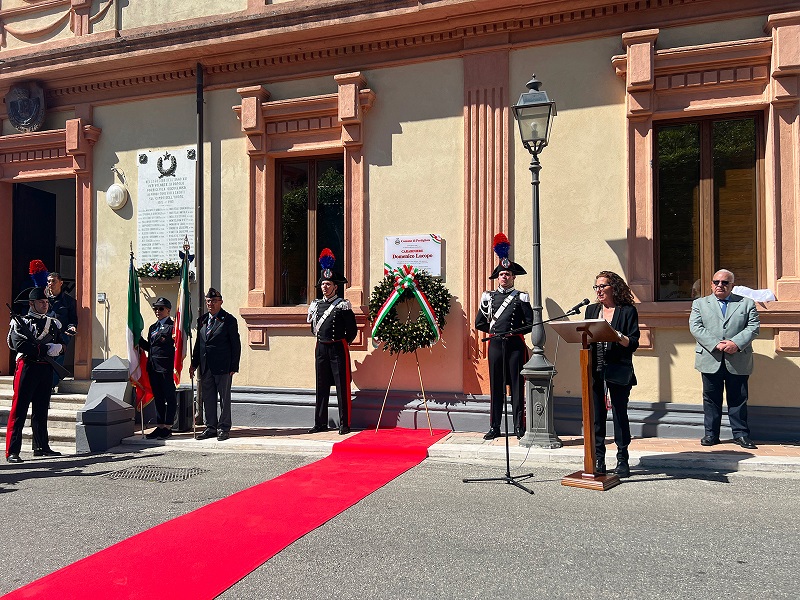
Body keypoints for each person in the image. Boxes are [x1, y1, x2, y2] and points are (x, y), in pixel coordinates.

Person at [689, 269, 760, 449]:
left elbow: (753, 327)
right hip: (710, 357)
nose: (720, 285)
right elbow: (696, 327)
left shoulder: (746, 303)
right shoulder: (700, 304)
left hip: (737, 358)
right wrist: (717, 344)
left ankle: (741, 434)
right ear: (711, 284)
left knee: (738, 398)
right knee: (711, 398)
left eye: (725, 283)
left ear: (732, 286)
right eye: (716, 282)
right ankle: (711, 435)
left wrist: (735, 343)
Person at [474, 233, 533, 440]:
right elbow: (479, 323)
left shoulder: (521, 297)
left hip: (515, 345)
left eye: (507, 274)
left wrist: (515, 332)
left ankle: (519, 426)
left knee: (517, 386)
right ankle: (495, 426)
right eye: (501, 274)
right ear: (497, 277)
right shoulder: (488, 297)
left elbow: (529, 324)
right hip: (496, 345)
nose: (504, 277)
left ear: (513, 277)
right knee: (496, 386)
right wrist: (495, 331)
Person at [6, 263, 65, 463]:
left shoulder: (53, 323)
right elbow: (18, 344)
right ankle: (13, 451)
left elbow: (61, 344)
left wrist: (58, 349)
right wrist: (42, 349)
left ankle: (41, 446)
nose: (45, 305)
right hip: (28, 366)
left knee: (41, 409)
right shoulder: (19, 322)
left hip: (46, 368)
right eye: (40, 302)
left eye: (46, 302)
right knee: (19, 409)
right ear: (31, 304)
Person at [585, 270, 640, 478]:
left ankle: (622, 457)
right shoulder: (591, 310)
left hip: (618, 368)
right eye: (596, 287)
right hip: (595, 368)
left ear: (613, 288)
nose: (599, 290)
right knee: (598, 416)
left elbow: (633, 342)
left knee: (619, 413)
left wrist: (617, 335)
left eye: (603, 286)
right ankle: (599, 458)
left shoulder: (627, 311)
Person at [306, 249, 357, 435]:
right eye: (323, 284)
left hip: (337, 347)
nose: (325, 287)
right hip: (321, 347)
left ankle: (344, 424)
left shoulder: (343, 305)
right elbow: (313, 328)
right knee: (321, 385)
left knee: (342, 387)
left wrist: (342, 343)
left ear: (336, 286)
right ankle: (320, 423)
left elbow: (352, 330)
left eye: (328, 284)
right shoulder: (316, 305)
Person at [189, 288, 241, 441]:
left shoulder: (229, 320)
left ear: (221, 302)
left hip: (223, 366)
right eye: (208, 301)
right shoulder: (202, 320)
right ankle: (210, 427)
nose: (210, 304)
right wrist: (194, 363)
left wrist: (234, 366)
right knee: (208, 398)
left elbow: (235, 345)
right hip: (206, 367)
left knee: (224, 398)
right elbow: (199, 344)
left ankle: (223, 428)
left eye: (213, 301)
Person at [139, 297, 176, 440]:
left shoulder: (172, 328)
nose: (158, 311)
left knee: (170, 397)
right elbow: (151, 348)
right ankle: (160, 426)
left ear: (168, 310)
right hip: (153, 367)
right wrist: (138, 339)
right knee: (158, 398)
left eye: (161, 308)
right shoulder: (153, 328)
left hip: (165, 368)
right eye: (156, 308)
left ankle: (168, 426)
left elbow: (174, 349)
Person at [46, 271, 77, 391]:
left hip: (62, 335)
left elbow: (73, 319)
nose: (51, 284)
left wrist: (72, 327)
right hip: (45, 335)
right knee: (45, 360)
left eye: (54, 281)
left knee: (57, 361)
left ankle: (50, 386)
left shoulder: (69, 301)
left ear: (61, 283)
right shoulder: (43, 300)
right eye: (49, 281)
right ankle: (43, 384)